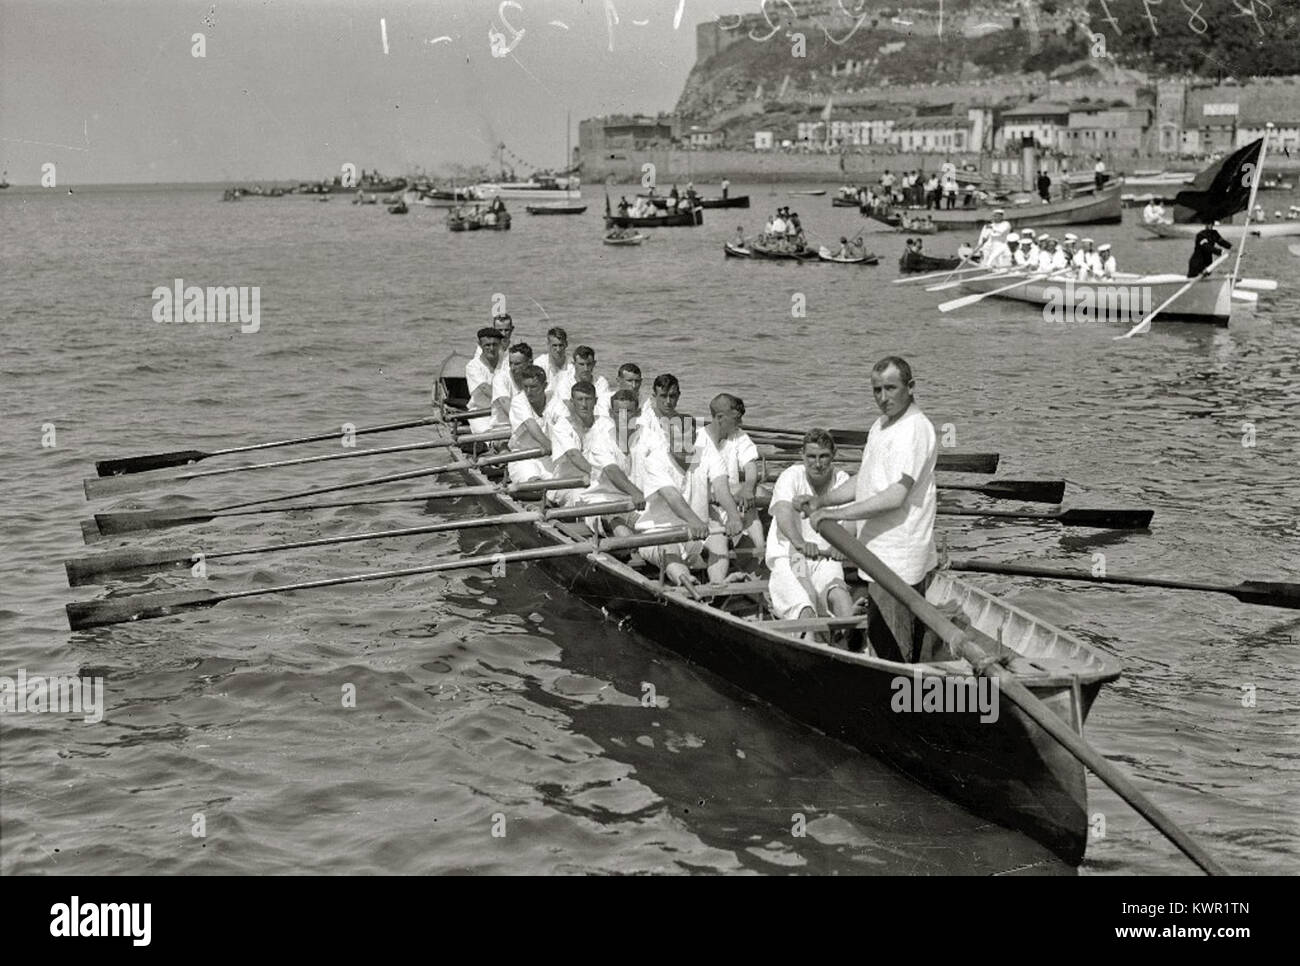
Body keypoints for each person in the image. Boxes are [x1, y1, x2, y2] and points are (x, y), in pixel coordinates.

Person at [798, 356, 938, 662]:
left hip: (898, 557)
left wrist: (835, 516)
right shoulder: (881, 425)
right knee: (884, 640)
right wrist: (824, 501)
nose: (883, 398)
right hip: (875, 554)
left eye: (891, 388)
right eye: (877, 390)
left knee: (893, 652)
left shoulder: (915, 430)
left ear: (910, 387)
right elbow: (868, 478)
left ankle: (898, 699)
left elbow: (894, 497)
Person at [766, 428, 856, 645]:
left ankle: (848, 644)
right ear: (801, 455)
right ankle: (813, 643)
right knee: (805, 607)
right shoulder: (791, 476)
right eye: (811, 457)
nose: (817, 463)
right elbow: (783, 512)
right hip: (791, 557)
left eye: (824, 456)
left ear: (834, 455)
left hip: (826, 560)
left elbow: (853, 520)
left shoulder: (843, 480)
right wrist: (800, 542)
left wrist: (843, 545)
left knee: (842, 599)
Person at [549, 382, 644, 532]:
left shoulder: (606, 423)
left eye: (588, 399)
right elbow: (574, 455)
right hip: (569, 484)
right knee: (582, 498)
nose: (584, 404)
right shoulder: (561, 426)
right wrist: (596, 475)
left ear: (596, 401)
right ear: (572, 402)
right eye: (579, 400)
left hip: (603, 483)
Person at [696, 393, 762, 581]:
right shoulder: (697, 441)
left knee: (753, 499)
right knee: (719, 543)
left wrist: (748, 487)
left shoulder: (738, 436)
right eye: (736, 419)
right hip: (708, 506)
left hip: (735, 500)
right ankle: (718, 584)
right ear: (719, 417)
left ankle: (759, 557)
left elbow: (750, 466)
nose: (740, 423)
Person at [507, 364, 561, 484]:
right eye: (525, 387)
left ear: (545, 386)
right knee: (534, 484)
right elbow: (532, 428)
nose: (528, 392)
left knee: (562, 483)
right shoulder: (519, 401)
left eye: (533, 387)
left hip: (548, 457)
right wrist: (555, 449)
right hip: (523, 457)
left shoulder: (554, 399)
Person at [462, 326, 506, 433]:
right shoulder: (473, 366)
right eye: (487, 345)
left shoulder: (507, 362)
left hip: (503, 410)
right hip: (480, 413)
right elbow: (486, 389)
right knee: (495, 440)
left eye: (495, 345)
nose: (491, 348)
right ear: (480, 345)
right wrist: (511, 405)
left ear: (500, 344)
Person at [553, 344, 613, 416]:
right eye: (581, 364)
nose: (585, 369)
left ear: (594, 364)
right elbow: (568, 406)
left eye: (588, 364)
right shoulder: (565, 383)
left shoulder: (601, 382)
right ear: (574, 364)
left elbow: (603, 406)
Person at [491, 341, 534, 427]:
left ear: (530, 362)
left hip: (529, 426)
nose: (513, 368)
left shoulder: (535, 378)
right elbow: (509, 409)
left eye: (517, 364)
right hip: (503, 429)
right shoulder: (500, 379)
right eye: (510, 363)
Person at [537, 326, 574, 401]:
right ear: (548, 344)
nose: (558, 349)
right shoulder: (539, 363)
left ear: (566, 344)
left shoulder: (573, 365)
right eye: (554, 345)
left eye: (561, 345)